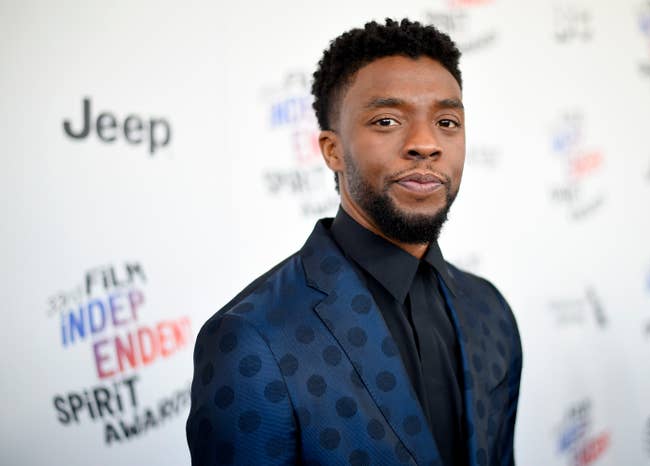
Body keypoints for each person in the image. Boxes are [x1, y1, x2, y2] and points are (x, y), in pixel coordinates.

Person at [187, 18, 522, 466]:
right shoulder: (252, 339)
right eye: (387, 120)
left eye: (447, 121)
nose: (426, 144)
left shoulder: (490, 310)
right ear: (331, 149)